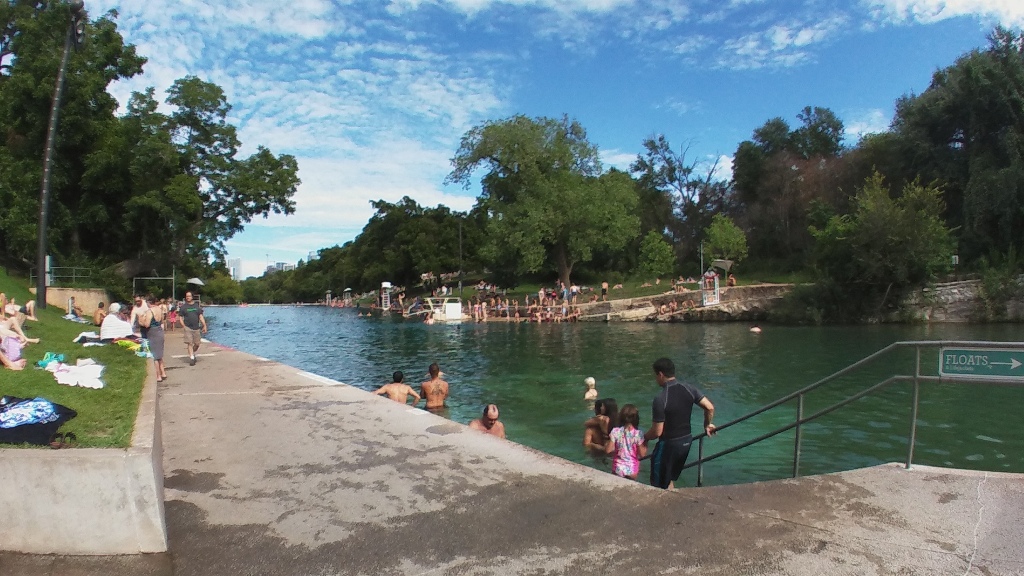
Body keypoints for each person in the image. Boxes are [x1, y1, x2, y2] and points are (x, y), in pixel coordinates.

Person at [644, 357, 716, 490]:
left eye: (656, 376)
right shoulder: (689, 389)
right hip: (686, 442)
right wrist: (707, 425)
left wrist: (644, 437)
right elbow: (709, 407)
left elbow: (657, 431)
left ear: (660, 374)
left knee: (657, 484)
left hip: (669, 445)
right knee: (669, 478)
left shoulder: (661, 399)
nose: (656, 379)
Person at [605, 404, 647, 480]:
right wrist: (646, 443)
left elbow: (608, 450)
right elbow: (642, 454)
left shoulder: (615, 431)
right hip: (632, 470)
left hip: (618, 468)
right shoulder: (638, 434)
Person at [141, 295, 168, 382]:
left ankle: (158, 376)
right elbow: (162, 320)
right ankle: (163, 373)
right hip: (160, 331)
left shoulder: (150, 311)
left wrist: (141, 320)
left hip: (152, 333)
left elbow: (147, 325)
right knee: (159, 353)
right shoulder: (159, 309)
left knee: (155, 356)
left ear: (149, 302)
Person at [178, 291, 208, 366]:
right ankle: (191, 358)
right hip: (188, 327)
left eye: (189, 296)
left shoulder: (196, 306)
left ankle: (193, 353)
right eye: (186, 296)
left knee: (197, 344)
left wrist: (204, 325)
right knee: (189, 343)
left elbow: (200, 316)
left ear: (192, 297)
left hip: (196, 328)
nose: (187, 297)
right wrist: (183, 326)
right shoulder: (183, 307)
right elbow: (180, 317)